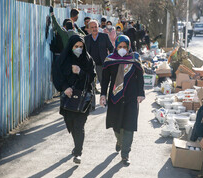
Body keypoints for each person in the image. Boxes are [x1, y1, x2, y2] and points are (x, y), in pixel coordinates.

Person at [100, 35, 145, 166]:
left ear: (129, 47)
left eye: (125, 47)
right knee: (116, 125)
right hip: (115, 97)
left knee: (129, 126)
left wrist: (141, 94)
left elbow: (140, 77)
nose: (122, 49)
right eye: (120, 47)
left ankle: (125, 154)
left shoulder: (135, 58)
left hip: (131, 97)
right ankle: (119, 141)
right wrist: (103, 95)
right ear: (116, 47)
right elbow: (105, 80)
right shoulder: (110, 59)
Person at [57, 35, 96, 164]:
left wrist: (80, 72)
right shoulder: (64, 59)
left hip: (84, 99)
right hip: (68, 98)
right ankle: (76, 147)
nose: (79, 49)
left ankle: (78, 153)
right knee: (72, 125)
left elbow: (91, 77)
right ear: (71, 46)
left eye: (81, 46)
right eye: (76, 46)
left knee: (79, 125)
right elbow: (57, 76)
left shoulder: (88, 60)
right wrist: (65, 88)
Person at [84, 20, 114, 85]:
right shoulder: (86, 39)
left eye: (95, 27)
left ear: (98, 27)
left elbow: (111, 48)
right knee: (91, 83)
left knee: (103, 82)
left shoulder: (104, 36)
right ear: (89, 29)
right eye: (92, 27)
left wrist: (111, 58)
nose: (94, 29)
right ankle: (93, 94)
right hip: (90, 65)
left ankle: (103, 94)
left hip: (101, 64)